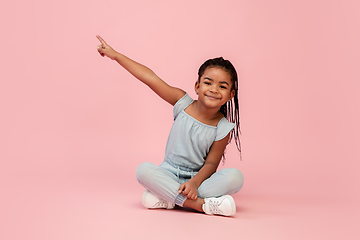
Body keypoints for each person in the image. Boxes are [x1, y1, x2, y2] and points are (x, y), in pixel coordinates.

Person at [96, 35, 244, 217]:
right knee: (143, 171)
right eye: (208, 83)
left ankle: (169, 198)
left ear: (230, 94)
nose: (214, 89)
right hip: (168, 174)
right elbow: (150, 77)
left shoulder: (223, 127)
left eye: (222, 86)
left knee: (236, 177)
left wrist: (194, 184)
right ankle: (202, 205)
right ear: (197, 86)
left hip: (199, 179)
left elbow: (212, 164)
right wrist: (116, 55)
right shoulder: (182, 103)